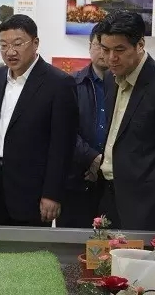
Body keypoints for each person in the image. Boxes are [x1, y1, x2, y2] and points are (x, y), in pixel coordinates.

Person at [0, 14, 79, 227]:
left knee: (30, 248)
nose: (10, 52)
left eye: (18, 44)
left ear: (35, 43)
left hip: (33, 191)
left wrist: (52, 194)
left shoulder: (59, 84)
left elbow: (62, 146)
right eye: (3, 45)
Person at [95, 10, 155, 231]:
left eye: (119, 50)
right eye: (105, 50)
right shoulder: (110, 77)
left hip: (150, 204)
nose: (111, 58)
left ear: (140, 44)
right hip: (110, 194)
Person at [57, 24, 109, 228]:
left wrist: (105, 163)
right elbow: (64, 131)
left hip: (114, 183)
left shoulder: (127, 87)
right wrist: (92, 158)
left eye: (109, 47)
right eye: (99, 46)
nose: (104, 52)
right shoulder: (71, 84)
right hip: (76, 181)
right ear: (89, 47)